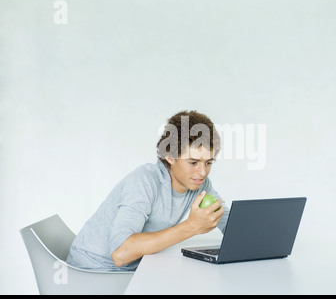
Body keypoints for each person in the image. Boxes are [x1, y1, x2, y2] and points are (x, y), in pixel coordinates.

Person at [66, 110, 229, 271]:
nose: (202, 172)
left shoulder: (198, 183)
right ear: (170, 157)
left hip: (135, 269)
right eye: (193, 162)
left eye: (208, 162)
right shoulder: (144, 181)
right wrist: (191, 226)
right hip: (93, 272)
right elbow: (120, 254)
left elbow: (229, 223)